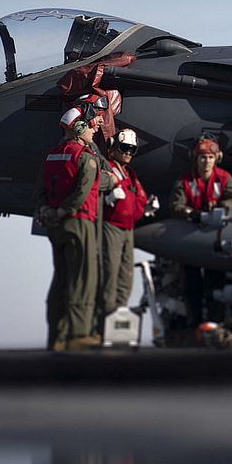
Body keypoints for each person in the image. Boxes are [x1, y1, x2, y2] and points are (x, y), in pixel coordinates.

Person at [38, 106, 103, 351]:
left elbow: (40, 189)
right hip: (79, 221)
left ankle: (57, 336)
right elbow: (82, 191)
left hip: (56, 226)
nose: (93, 128)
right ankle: (78, 334)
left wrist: (47, 210)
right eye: (89, 125)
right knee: (82, 279)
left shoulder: (52, 155)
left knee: (61, 279)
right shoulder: (84, 156)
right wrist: (64, 210)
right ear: (78, 128)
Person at [168, 137, 232, 326]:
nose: (206, 161)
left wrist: (222, 208)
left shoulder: (224, 178)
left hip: (215, 239)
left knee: (215, 284)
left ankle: (215, 323)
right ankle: (195, 325)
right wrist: (193, 214)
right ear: (195, 159)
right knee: (191, 287)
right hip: (191, 239)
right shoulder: (185, 180)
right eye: (202, 157)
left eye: (210, 157)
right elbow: (175, 205)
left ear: (216, 158)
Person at [97, 127, 149, 327]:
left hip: (128, 229)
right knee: (110, 273)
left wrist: (146, 207)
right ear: (113, 148)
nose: (128, 152)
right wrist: (108, 198)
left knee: (126, 276)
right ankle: (104, 322)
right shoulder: (107, 169)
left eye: (132, 149)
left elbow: (139, 197)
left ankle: (117, 320)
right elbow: (93, 189)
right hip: (111, 227)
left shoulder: (129, 174)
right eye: (124, 147)